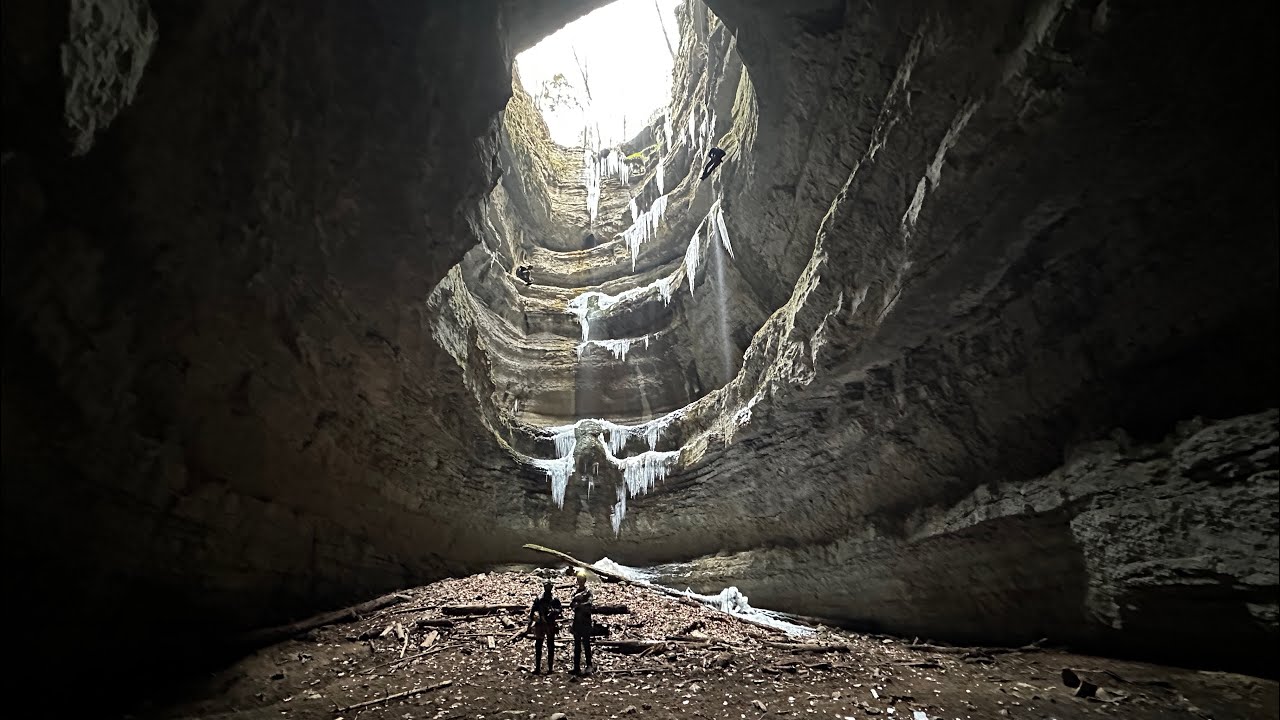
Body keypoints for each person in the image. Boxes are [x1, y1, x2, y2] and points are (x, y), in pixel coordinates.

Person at [528, 580, 562, 674]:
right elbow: (533, 611)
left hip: (550, 623)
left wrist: (553, 611)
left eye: (549, 586)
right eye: (546, 586)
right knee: (538, 645)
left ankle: (550, 668)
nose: (548, 588)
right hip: (540, 624)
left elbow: (560, 610)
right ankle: (538, 668)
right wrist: (533, 619)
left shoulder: (554, 599)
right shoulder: (539, 598)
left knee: (550, 645)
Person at [569, 570, 594, 675]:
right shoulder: (575, 592)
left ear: (585, 581)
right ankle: (576, 667)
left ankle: (589, 665)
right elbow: (571, 605)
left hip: (586, 621)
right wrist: (577, 603)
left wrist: (579, 605)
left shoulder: (588, 592)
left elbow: (590, 603)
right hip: (577, 621)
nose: (580, 582)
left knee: (587, 644)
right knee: (577, 645)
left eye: (582, 580)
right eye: (579, 580)